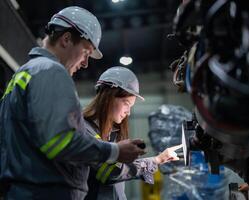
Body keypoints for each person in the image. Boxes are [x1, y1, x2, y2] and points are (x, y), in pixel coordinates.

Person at [0, 6, 145, 200]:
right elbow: (60, 142)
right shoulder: (51, 71)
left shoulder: (24, 74)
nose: (85, 63)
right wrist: (115, 151)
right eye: (86, 52)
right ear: (66, 39)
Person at [83, 66, 182, 200]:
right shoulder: (84, 130)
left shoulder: (111, 134)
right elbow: (109, 172)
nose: (128, 112)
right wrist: (157, 160)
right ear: (109, 97)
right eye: (126, 103)